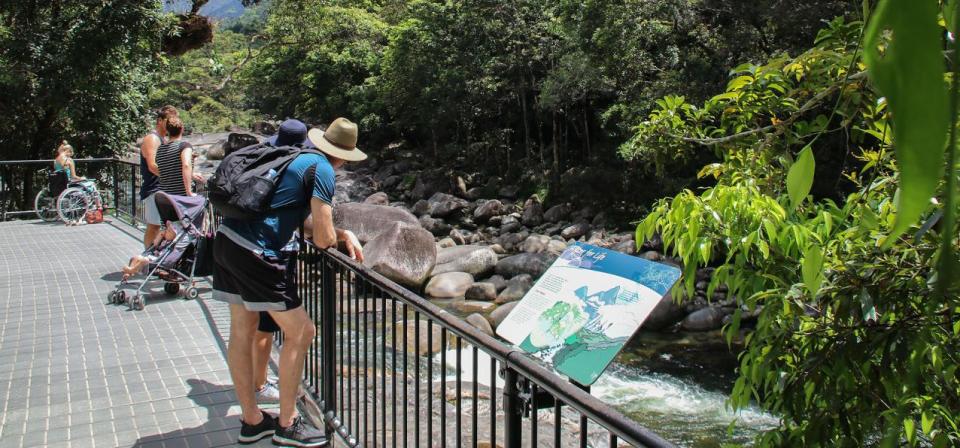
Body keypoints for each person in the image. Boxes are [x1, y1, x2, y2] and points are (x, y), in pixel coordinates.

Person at [211, 118, 365, 447]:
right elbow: (322, 238)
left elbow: (290, 212)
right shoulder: (322, 169)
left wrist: (338, 232)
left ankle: (252, 421)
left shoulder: (290, 157)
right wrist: (338, 236)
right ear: (343, 156)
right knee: (302, 331)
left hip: (226, 240)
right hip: (257, 253)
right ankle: (288, 423)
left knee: (241, 328)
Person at [140, 106, 178, 248]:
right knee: (154, 226)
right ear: (160, 121)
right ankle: (147, 260)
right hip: (154, 189)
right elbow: (152, 166)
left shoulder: (164, 139)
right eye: (169, 119)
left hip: (163, 189)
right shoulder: (152, 138)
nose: (171, 122)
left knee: (165, 226)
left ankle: (155, 258)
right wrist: (173, 177)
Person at [121, 220, 191, 279]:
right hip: (152, 256)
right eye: (167, 229)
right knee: (135, 257)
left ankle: (132, 270)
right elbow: (155, 244)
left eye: (169, 231)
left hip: (157, 260)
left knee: (143, 260)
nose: (166, 231)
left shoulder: (173, 244)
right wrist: (160, 235)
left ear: (175, 236)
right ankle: (129, 272)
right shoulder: (164, 240)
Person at [156, 116, 195, 197]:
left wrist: (192, 160)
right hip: (180, 197)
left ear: (167, 131)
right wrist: (189, 192)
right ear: (182, 129)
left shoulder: (160, 148)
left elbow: (169, 168)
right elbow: (186, 165)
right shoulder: (184, 146)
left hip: (164, 196)